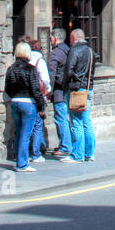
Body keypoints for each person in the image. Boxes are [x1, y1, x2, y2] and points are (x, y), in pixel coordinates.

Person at [4, 41, 45, 172]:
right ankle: (22, 164)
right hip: (28, 102)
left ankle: (19, 158)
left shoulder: (11, 69)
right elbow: (35, 89)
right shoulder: (31, 69)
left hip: (15, 101)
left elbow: (7, 88)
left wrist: (15, 96)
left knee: (19, 131)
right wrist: (40, 106)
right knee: (25, 134)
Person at [66, 27, 98, 162]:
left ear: (74, 38)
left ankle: (77, 155)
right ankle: (90, 153)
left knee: (76, 122)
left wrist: (70, 83)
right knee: (87, 122)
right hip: (88, 89)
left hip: (77, 89)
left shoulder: (74, 50)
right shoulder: (91, 51)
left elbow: (69, 71)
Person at [23, 35, 51, 163]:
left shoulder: (25, 61)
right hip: (38, 95)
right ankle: (36, 153)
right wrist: (48, 90)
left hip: (25, 96)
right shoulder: (40, 62)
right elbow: (45, 79)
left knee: (27, 125)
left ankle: (25, 152)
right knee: (38, 124)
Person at [48, 28, 73, 159]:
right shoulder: (68, 50)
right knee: (65, 118)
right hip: (68, 88)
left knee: (60, 118)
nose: (50, 40)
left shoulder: (56, 53)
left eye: (51, 38)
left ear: (56, 38)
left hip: (59, 90)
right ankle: (65, 144)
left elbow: (51, 74)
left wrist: (48, 90)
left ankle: (65, 146)